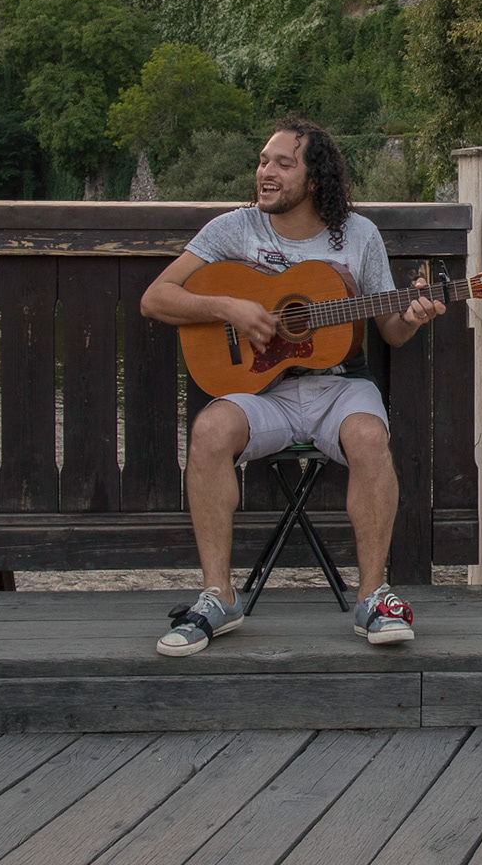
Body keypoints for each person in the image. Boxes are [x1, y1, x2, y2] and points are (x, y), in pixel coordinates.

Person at [139, 115, 444, 655]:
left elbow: (389, 331)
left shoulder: (357, 234)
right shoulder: (234, 228)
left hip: (338, 386)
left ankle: (373, 596)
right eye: (263, 161)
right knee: (209, 431)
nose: (267, 172)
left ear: (315, 176)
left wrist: (412, 317)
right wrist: (227, 304)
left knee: (371, 438)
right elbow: (156, 298)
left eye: (283, 163)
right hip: (263, 392)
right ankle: (218, 596)